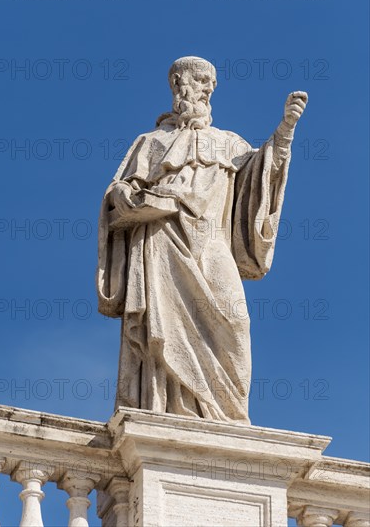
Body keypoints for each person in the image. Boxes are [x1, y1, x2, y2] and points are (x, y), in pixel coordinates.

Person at [97, 56, 308, 423]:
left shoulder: (228, 143)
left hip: (212, 246)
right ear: (178, 83)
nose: (207, 87)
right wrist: (133, 198)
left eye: (212, 82)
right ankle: (168, 410)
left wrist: (285, 132)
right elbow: (119, 195)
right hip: (163, 240)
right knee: (163, 331)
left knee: (236, 323)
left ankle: (228, 415)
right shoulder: (150, 142)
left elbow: (259, 180)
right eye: (200, 79)